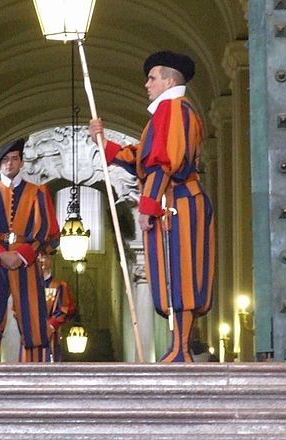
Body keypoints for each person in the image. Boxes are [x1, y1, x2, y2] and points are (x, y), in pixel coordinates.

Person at [88, 50, 215, 362]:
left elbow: (162, 163)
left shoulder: (172, 110)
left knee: (181, 274)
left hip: (177, 203)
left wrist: (148, 206)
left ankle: (182, 348)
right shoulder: (169, 113)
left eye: (152, 78)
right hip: (175, 202)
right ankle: (179, 345)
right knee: (173, 273)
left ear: (169, 80)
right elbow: (143, 157)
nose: (146, 84)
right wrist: (105, 144)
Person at [0, 137, 61, 363]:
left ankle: (35, 376)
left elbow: (45, 230)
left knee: (32, 317)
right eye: (5, 160)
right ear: (0, 164)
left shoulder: (37, 193)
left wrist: (23, 255)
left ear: (21, 162)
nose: (10, 164)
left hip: (25, 259)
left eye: (14, 159)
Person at [19, 252, 75, 362]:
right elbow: (17, 309)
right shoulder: (26, 287)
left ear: (50, 260)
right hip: (29, 334)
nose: (41, 260)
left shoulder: (59, 286)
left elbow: (63, 309)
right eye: (38, 257)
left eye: (44, 256)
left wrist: (48, 328)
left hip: (50, 337)